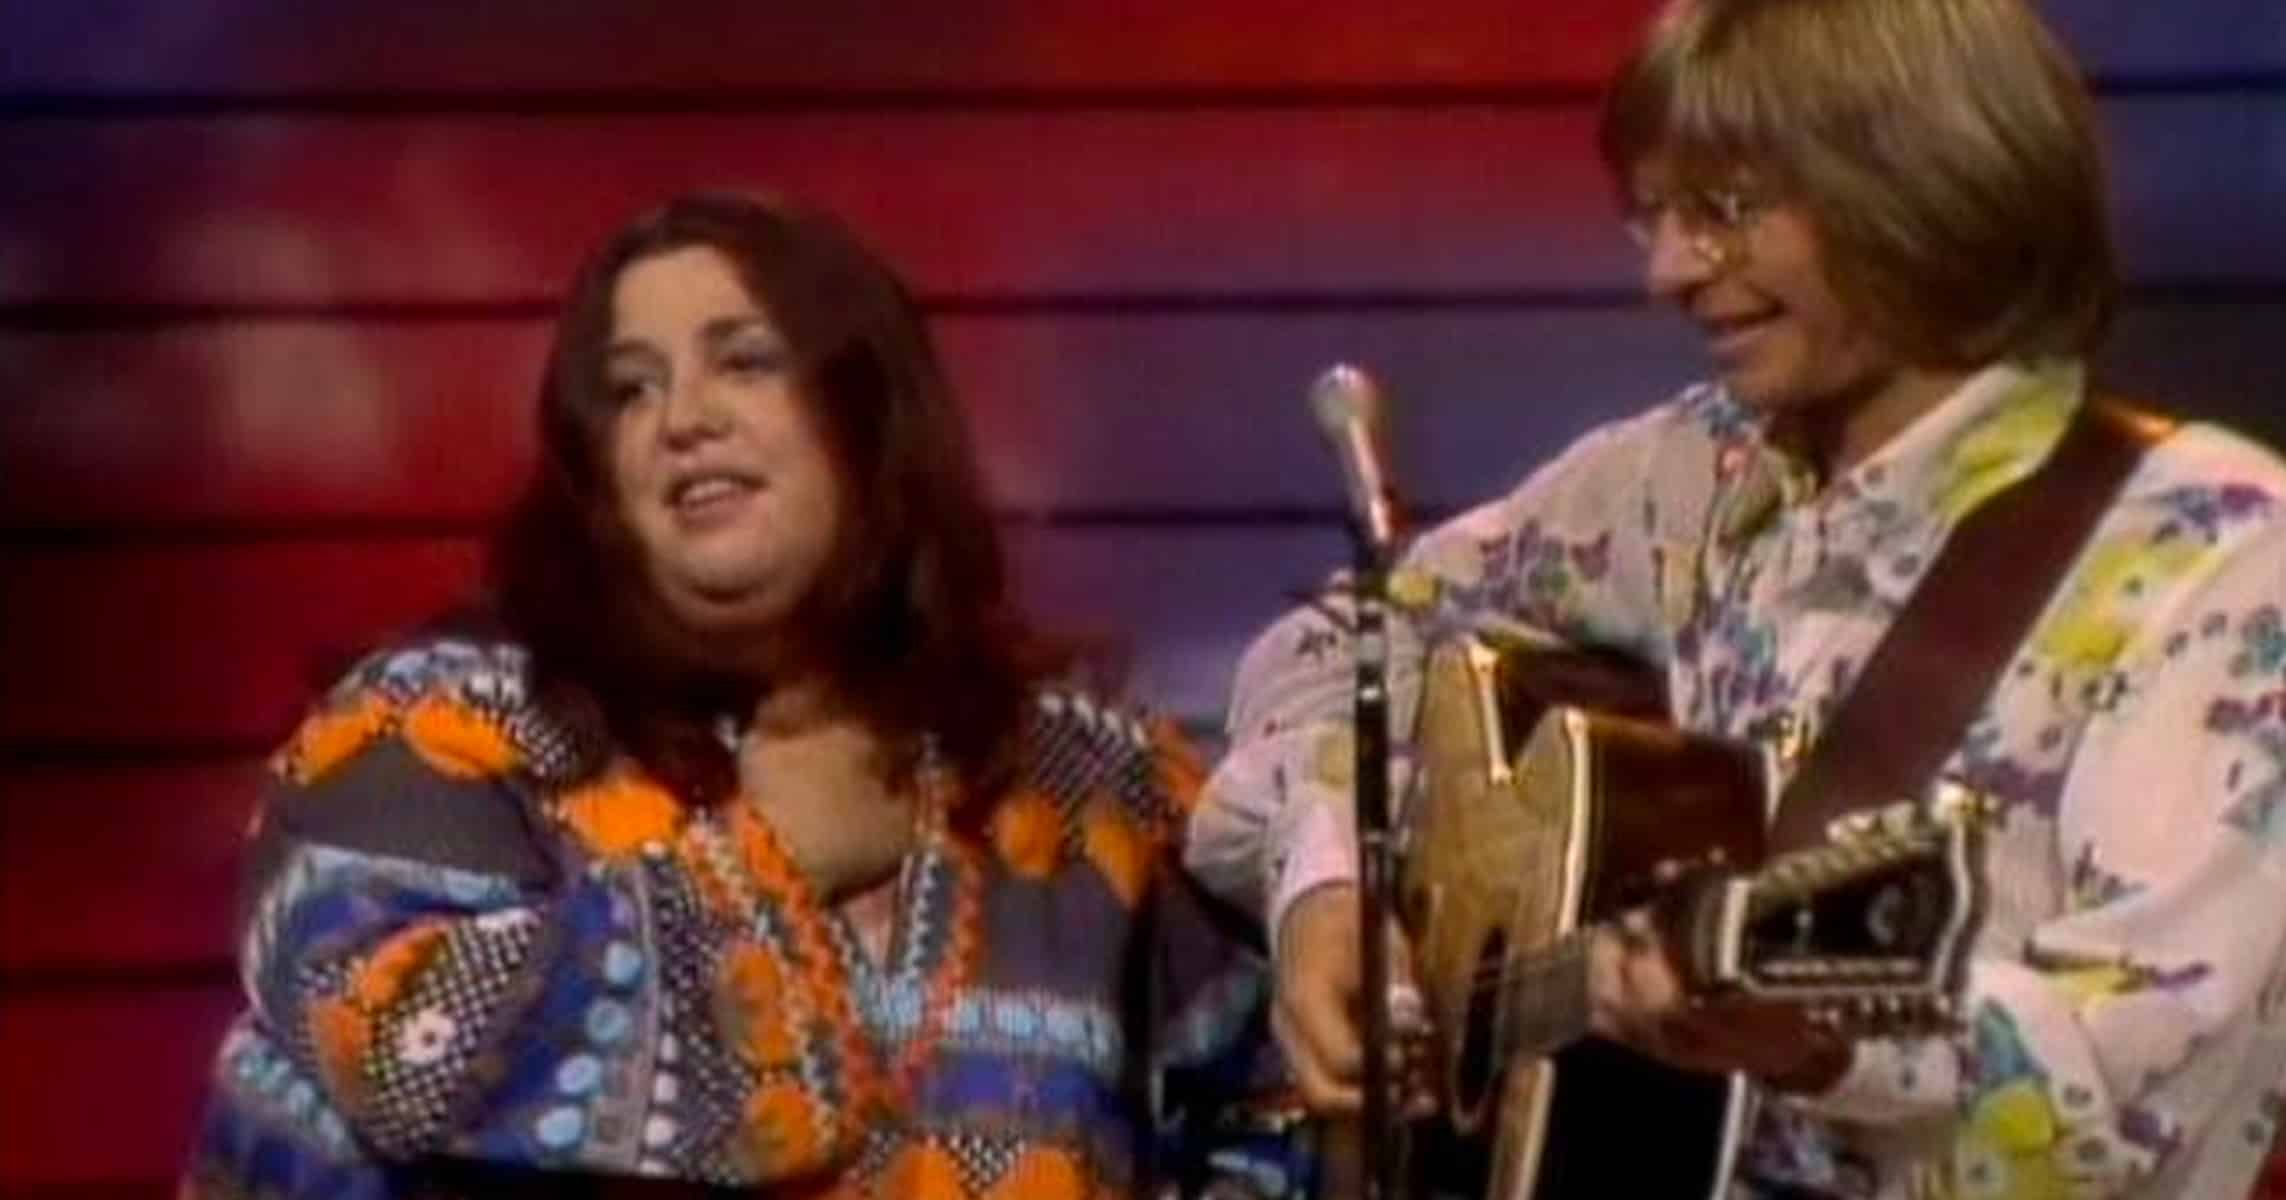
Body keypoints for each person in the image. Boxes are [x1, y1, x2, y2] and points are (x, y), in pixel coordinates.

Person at [1184, 0, 2286, 1195]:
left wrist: (1824, 1040)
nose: (1666, 274)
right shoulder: (1684, 483)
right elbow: (1327, 650)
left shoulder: (2210, 557)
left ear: (1922, 184)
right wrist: (1334, 880)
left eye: (1725, 211)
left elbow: (2140, 1094)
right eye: (1652, 218)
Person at [181, 191, 1274, 1199]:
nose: (682, 417)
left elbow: (1284, 1117)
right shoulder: (436, 734)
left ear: (865, 412)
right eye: (630, 389)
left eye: (743, 361)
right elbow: (402, 1053)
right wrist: (791, 841)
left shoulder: (1088, 784)